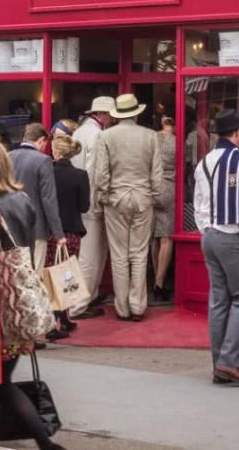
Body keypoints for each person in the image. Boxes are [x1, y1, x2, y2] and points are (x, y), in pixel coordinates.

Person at [0, 135, 65, 450]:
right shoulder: (21, 199)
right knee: (0, 383)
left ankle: (22, 443)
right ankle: (43, 443)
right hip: (20, 303)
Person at [194, 109, 239, 387]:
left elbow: (197, 201)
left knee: (219, 300)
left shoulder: (205, 161)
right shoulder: (238, 158)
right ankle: (229, 363)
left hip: (209, 235)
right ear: (236, 133)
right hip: (231, 234)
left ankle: (219, 364)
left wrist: (204, 229)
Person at [91, 93, 162, 321]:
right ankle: (138, 306)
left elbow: (101, 173)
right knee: (139, 254)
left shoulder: (106, 136)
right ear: (136, 113)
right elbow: (157, 172)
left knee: (119, 255)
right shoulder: (151, 136)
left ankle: (122, 308)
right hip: (142, 198)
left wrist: (103, 196)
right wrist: (153, 195)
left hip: (116, 199)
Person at [68, 96, 116, 320]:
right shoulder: (97, 135)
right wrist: (96, 203)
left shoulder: (79, 132)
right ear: (103, 115)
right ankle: (80, 304)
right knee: (90, 255)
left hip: (78, 201)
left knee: (87, 254)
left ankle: (89, 296)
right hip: (90, 202)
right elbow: (93, 172)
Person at [9, 123, 66, 270]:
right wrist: (59, 234)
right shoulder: (43, 160)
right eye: (44, 144)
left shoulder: (8, 157)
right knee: (35, 275)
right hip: (36, 228)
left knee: (16, 276)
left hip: (11, 227)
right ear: (41, 140)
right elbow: (49, 200)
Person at [49, 134, 90, 335]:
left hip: (51, 231)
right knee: (66, 274)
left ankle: (53, 318)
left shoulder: (48, 172)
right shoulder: (80, 175)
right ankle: (64, 318)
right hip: (72, 230)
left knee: (49, 274)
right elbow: (84, 207)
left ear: (56, 152)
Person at [152, 116, 176, 303]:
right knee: (166, 238)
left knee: (155, 236)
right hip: (168, 187)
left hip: (152, 187)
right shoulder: (177, 141)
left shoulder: (152, 137)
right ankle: (159, 283)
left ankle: (153, 276)